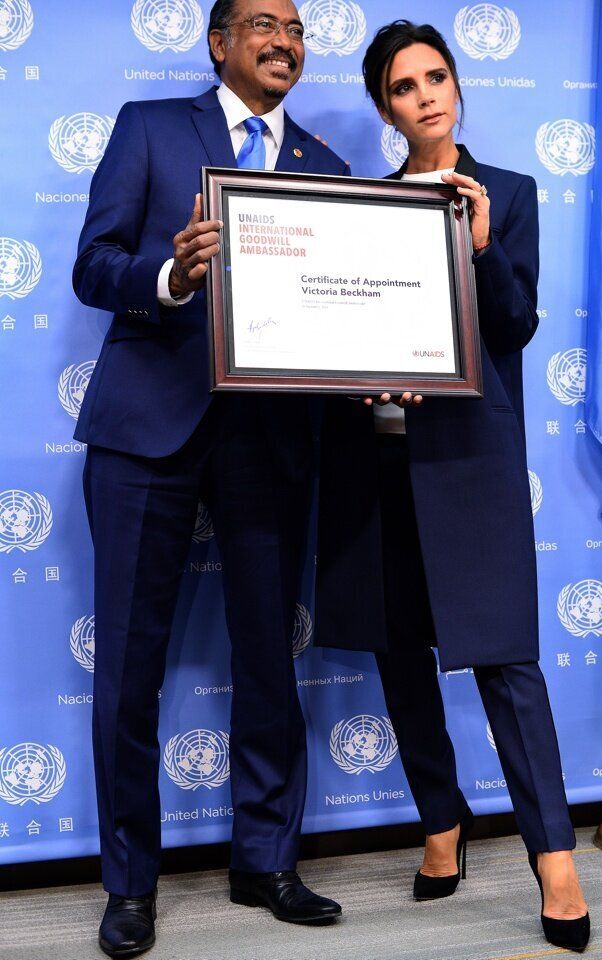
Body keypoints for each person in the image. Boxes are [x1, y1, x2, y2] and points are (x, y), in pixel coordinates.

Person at [72, 1, 348, 955]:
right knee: (128, 672)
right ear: (219, 42)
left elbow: (340, 315)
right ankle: (130, 885)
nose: (285, 40)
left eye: (298, 26)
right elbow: (92, 264)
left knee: (270, 659)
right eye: (264, 23)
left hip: (271, 442)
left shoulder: (328, 169)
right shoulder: (150, 129)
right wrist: (170, 278)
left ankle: (266, 862)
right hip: (147, 431)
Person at [315, 20, 590, 954]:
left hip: (469, 461)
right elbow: (342, 333)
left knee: (507, 661)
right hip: (376, 461)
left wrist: (479, 242)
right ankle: (443, 821)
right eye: (403, 86)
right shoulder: (366, 206)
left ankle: (556, 861)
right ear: (383, 106)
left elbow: (513, 329)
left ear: (459, 85)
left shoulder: (508, 194)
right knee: (397, 648)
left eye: (437, 77)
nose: (426, 95)